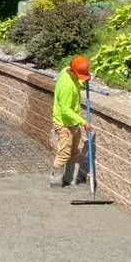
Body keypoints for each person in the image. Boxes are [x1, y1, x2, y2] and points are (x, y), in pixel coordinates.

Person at [51, 55, 93, 188]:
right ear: (74, 72)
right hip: (64, 124)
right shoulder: (66, 87)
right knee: (64, 153)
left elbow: (76, 82)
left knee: (75, 152)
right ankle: (55, 182)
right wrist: (84, 122)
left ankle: (70, 180)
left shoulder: (66, 70)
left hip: (73, 122)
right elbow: (65, 110)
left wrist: (82, 81)